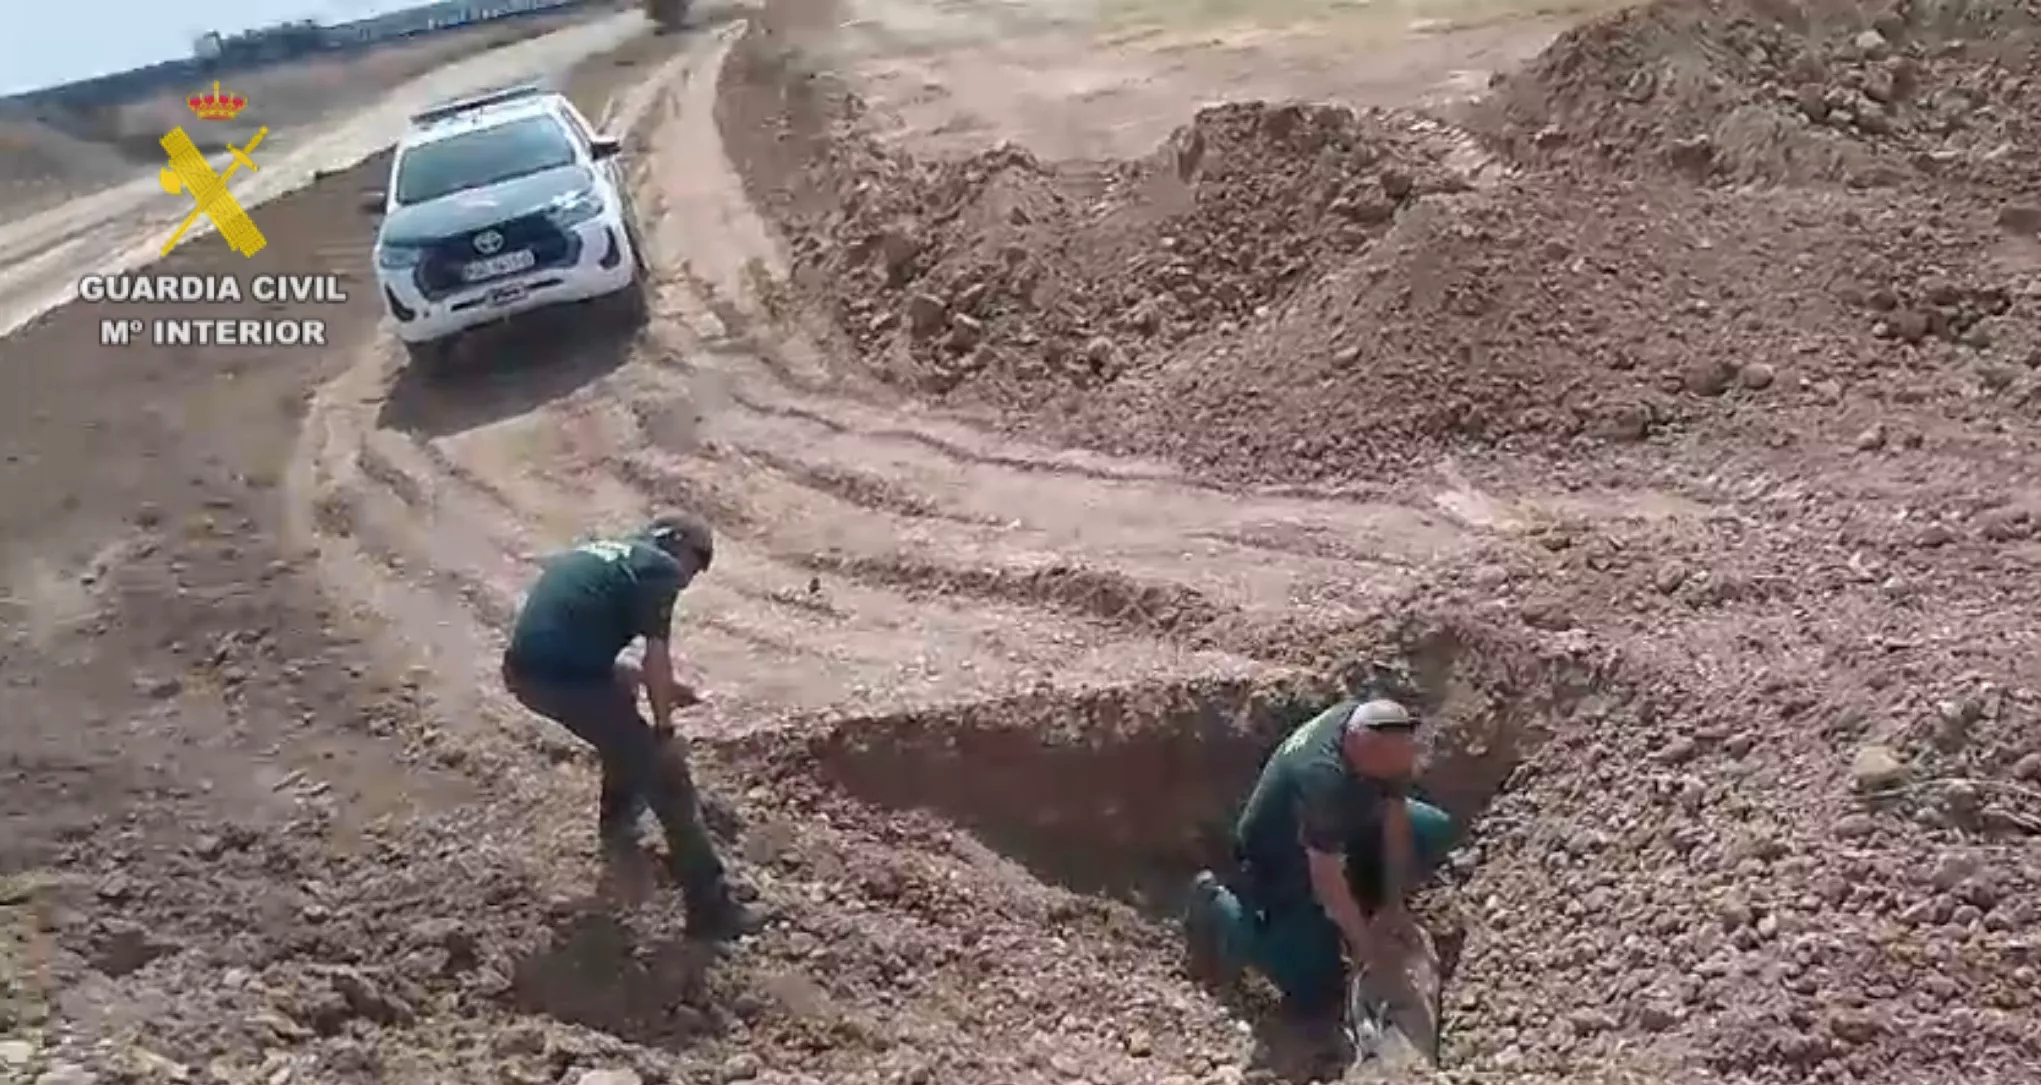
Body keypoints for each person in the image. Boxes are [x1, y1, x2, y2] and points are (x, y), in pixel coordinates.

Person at [500, 511, 758, 937]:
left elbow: (576, 633)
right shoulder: (661, 568)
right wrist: (665, 732)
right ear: (677, 543)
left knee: (622, 705)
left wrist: (662, 686)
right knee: (668, 775)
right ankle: (713, 912)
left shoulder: (608, 553)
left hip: (526, 670)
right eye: (698, 563)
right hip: (559, 681)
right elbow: (656, 653)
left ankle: (619, 833)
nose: (690, 579)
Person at [1184, 697, 1454, 1026]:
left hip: (1342, 826)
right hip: (1283, 857)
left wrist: (1392, 902)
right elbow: (1327, 881)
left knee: (1432, 830)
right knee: (1315, 989)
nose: (1392, 781)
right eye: (1384, 776)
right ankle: (1217, 903)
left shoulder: (1377, 732)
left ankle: (1364, 898)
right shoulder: (1322, 778)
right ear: (1359, 746)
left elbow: (1396, 818)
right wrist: (1368, 952)